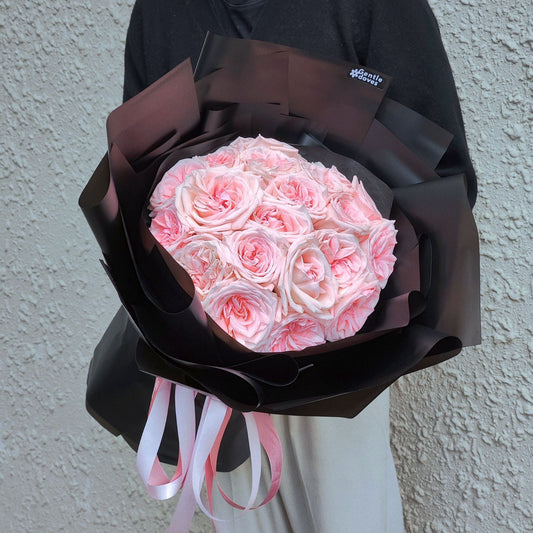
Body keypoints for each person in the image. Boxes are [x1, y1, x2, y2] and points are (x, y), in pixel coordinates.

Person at [120, 1, 477, 531]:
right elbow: (138, 185)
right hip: (218, 369)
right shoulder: (159, 11)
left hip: (340, 360)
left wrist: (335, 257)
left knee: (347, 514)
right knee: (243, 515)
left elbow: (446, 179)